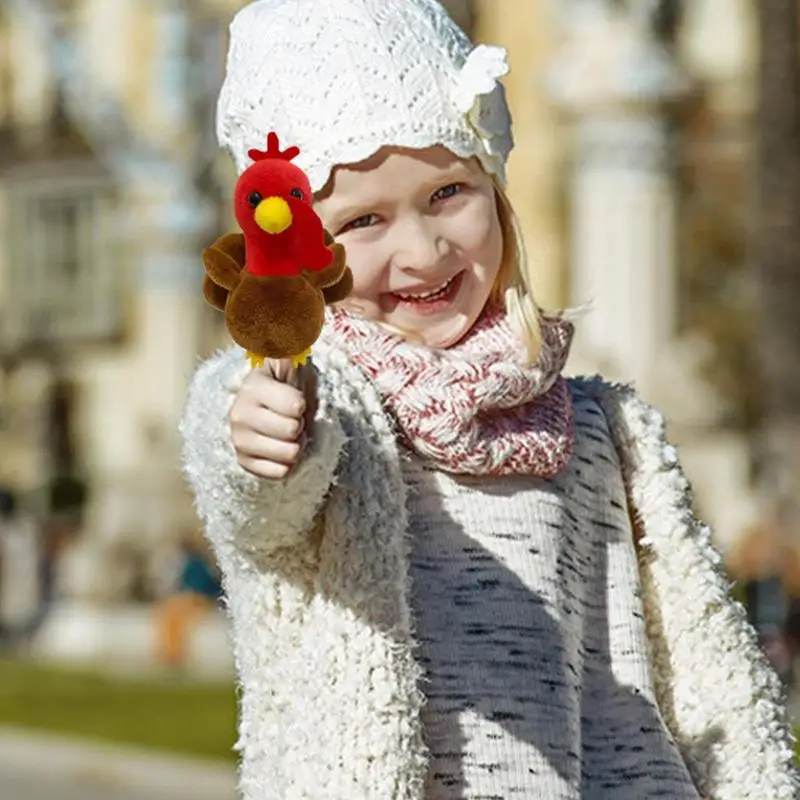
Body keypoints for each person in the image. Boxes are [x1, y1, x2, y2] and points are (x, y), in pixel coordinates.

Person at [180, 1, 799, 797]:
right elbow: (259, 500)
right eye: (363, 220)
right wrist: (259, 434)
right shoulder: (323, 411)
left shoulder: (605, 429)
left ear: (496, 188)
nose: (424, 249)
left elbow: (706, 670)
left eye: (448, 194)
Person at [154, 531, 223, 671]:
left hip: (199, 599)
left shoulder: (198, 564)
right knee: (168, 615)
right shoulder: (187, 564)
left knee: (177, 616)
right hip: (189, 599)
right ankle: (169, 652)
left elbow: (207, 586)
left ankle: (175, 655)